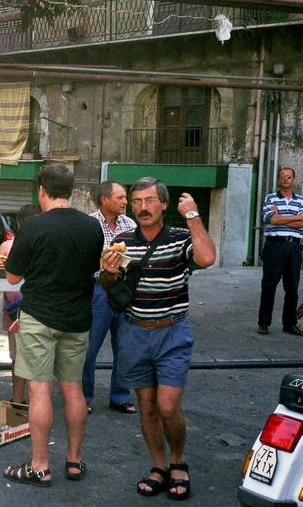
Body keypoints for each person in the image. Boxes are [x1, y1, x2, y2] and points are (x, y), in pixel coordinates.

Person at [100, 177, 215, 500]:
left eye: (150, 201)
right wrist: (108, 274)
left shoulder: (179, 238)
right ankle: (160, 466)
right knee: (147, 406)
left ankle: (179, 460)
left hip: (172, 332)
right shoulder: (123, 240)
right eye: (136, 202)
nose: (143, 208)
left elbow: (206, 258)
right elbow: (112, 287)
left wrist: (192, 215)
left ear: (164, 204)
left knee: (167, 405)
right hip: (135, 332)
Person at [2, 164, 102, 488]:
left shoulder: (33, 227)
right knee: (73, 389)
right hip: (77, 317)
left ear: (42, 190)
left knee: (40, 389)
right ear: (70, 190)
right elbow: (93, 270)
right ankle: (74, 460)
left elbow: (12, 277)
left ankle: (39, 466)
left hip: (40, 317)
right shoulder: (92, 227)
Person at [82, 181, 138, 415]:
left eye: (125, 198)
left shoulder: (130, 225)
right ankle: (84, 397)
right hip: (98, 290)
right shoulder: (90, 224)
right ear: (105, 200)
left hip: (124, 289)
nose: (126, 202)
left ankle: (120, 396)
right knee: (89, 347)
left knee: (125, 347)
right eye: (121, 197)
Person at [0, 203, 40, 404]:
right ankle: (26, 401)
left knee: (20, 358)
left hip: (23, 310)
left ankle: (21, 401)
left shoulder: (9, 246)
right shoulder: (9, 246)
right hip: (24, 310)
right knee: (27, 358)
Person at [257, 167, 303, 336]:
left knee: (292, 288)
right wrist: (295, 217)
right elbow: (272, 219)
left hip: (295, 247)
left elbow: (299, 223)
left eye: (289, 177)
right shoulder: (270, 198)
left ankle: (290, 324)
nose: (286, 179)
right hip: (274, 246)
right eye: (283, 177)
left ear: (293, 180)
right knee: (269, 286)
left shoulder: (301, 200)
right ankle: (264, 323)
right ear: (278, 180)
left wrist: (281, 220)